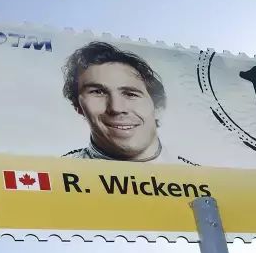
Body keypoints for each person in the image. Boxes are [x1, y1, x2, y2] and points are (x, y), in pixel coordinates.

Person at [61, 41, 192, 164]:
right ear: (77, 106)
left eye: (130, 94)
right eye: (98, 92)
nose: (116, 108)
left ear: (158, 107)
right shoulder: (57, 173)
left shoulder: (198, 177)